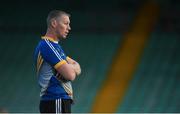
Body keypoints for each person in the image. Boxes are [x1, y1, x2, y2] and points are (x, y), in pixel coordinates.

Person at [33, 10, 81, 113]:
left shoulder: (55, 47)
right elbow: (71, 75)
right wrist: (72, 68)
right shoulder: (47, 46)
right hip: (55, 99)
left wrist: (73, 67)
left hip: (56, 100)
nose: (69, 28)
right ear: (54, 23)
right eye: (66, 23)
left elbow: (78, 66)